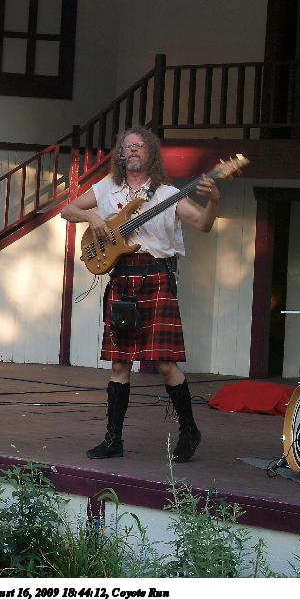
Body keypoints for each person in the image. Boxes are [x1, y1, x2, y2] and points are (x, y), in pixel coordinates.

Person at [60, 126, 220, 463]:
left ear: (151, 154)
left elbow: (204, 224)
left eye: (140, 146)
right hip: (122, 276)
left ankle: (189, 431)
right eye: (128, 146)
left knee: (164, 363)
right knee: (120, 362)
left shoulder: (167, 194)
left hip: (156, 275)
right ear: (121, 154)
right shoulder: (106, 188)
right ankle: (113, 439)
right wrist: (91, 216)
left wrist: (214, 201)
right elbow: (67, 210)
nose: (133, 150)